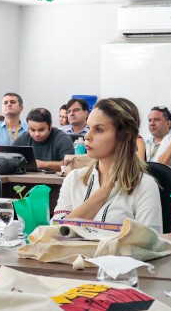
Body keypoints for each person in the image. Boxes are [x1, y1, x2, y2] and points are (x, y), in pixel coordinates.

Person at [52, 97, 162, 229]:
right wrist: (104, 192)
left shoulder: (144, 185)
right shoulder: (74, 179)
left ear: (126, 135)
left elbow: (148, 244)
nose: (87, 136)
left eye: (99, 130)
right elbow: (55, 232)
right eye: (88, 128)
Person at [13, 107, 73, 172]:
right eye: (32, 130)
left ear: (50, 126)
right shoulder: (23, 138)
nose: (36, 134)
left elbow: (70, 164)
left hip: (55, 181)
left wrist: (43, 164)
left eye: (41, 130)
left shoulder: (62, 138)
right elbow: (9, 157)